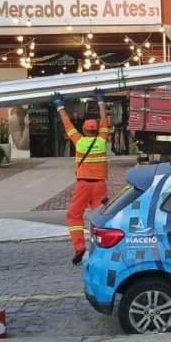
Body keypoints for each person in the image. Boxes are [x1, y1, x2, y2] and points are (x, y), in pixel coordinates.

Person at [51, 88, 109, 264]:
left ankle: (79, 247)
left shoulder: (80, 141)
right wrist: (101, 100)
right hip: (100, 185)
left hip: (83, 185)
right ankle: (102, 249)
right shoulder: (102, 140)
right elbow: (105, 120)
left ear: (84, 130)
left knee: (74, 216)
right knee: (99, 217)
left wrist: (60, 106)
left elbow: (67, 124)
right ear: (98, 129)